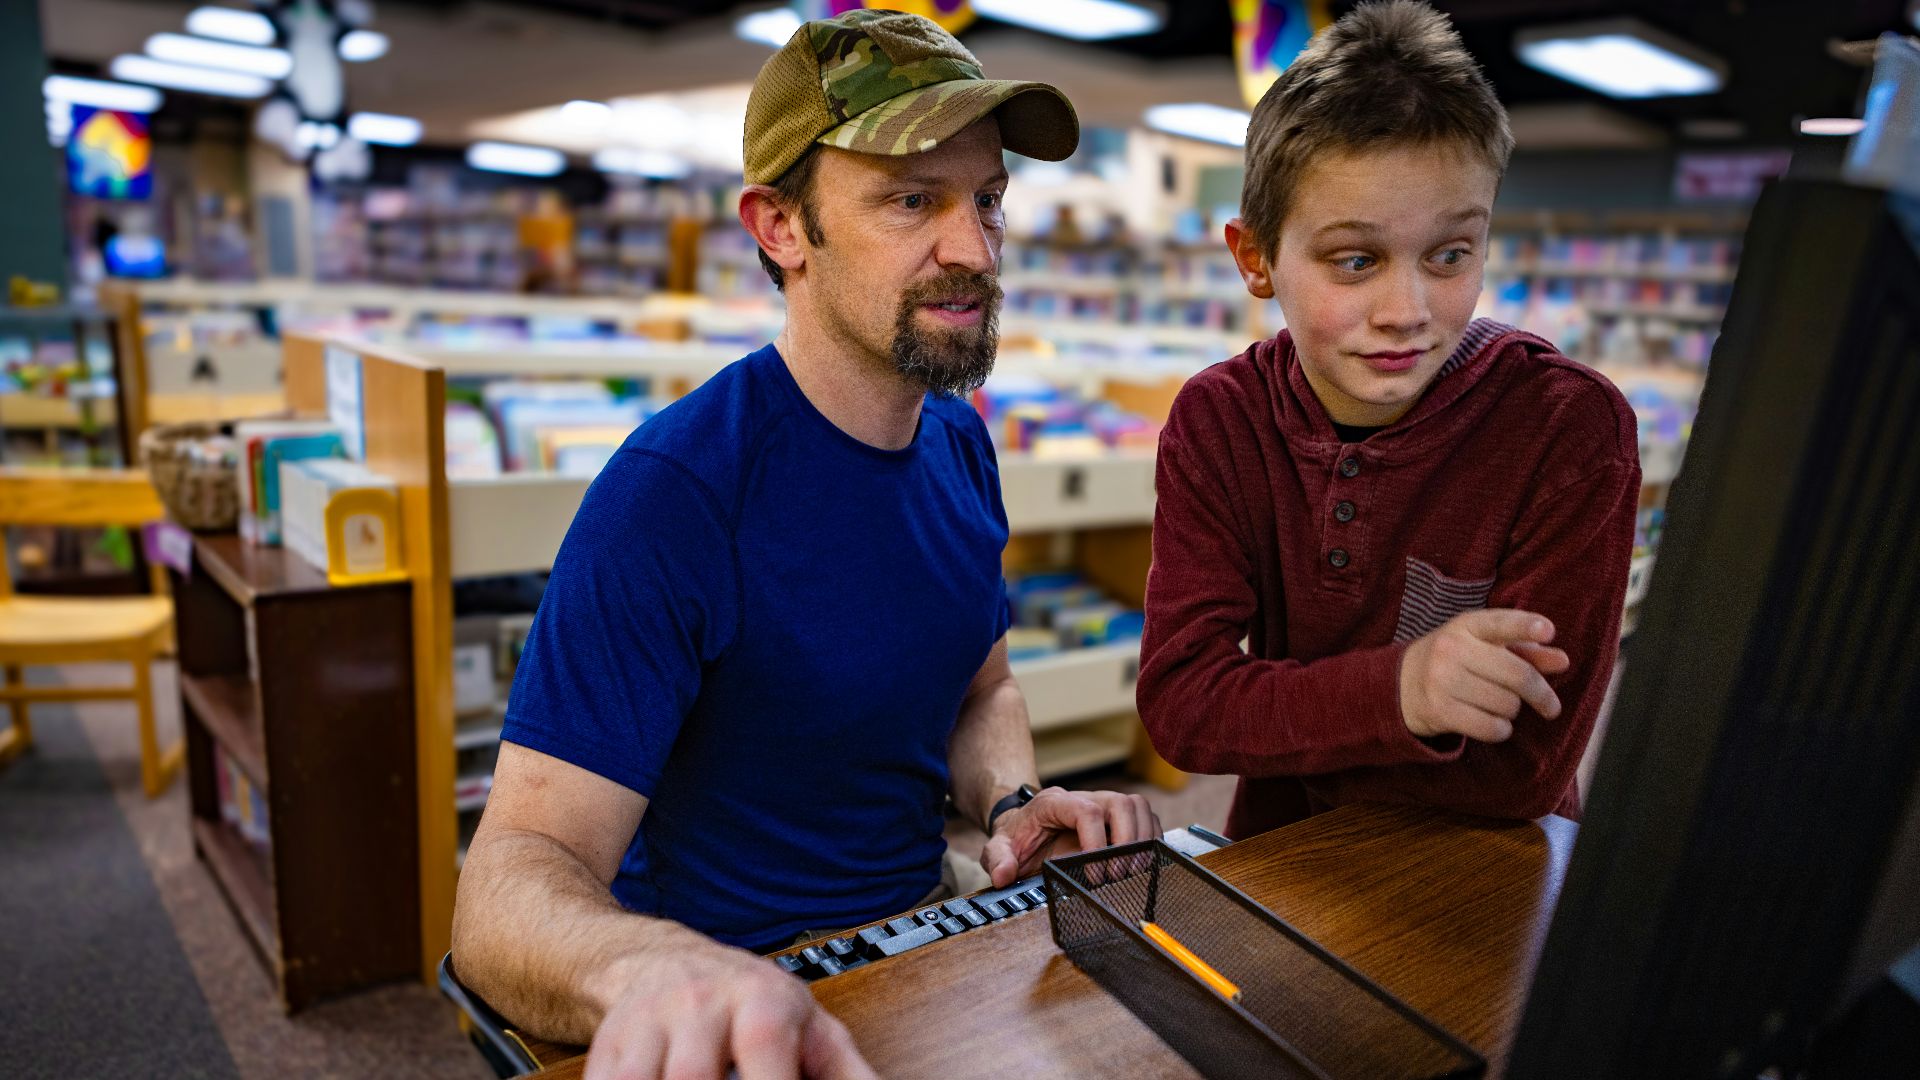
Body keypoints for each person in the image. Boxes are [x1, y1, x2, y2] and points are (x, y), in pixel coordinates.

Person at [451, 11, 1159, 1079]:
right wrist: (650, 971)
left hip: (924, 939)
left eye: (987, 200)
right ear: (782, 228)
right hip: (731, 998)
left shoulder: (960, 443)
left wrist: (1016, 810)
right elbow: (510, 880)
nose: (972, 249)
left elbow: (983, 692)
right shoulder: (676, 495)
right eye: (912, 200)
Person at [1137, 0, 1641, 841]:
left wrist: (1271, 712)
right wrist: (1406, 691)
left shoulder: (1570, 426)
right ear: (1256, 258)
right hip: (1281, 864)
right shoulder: (1219, 419)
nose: (1407, 311)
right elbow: (1184, 709)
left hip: (1484, 882)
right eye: (1356, 261)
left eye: (1450, 255)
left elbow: (1523, 770)